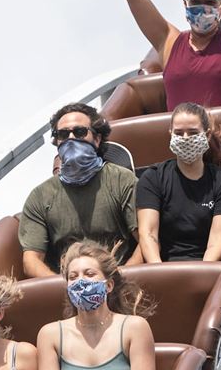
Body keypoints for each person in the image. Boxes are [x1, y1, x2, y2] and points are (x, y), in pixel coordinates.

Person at [37, 241, 156, 370]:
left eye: (89, 274)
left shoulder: (135, 327)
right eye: (73, 277)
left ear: (108, 285)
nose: (80, 282)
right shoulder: (50, 334)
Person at [19, 103, 141, 277]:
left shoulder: (122, 180)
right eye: (63, 134)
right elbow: (31, 261)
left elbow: (146, 240)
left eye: (79, 132)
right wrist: (66, 287)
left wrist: (120, 280)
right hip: (66, 288)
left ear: (97, 139)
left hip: (118, 284)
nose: (71, 138)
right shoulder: (40, 196)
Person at [136, 102, 221, 263]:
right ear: (170, 134)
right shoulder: (153, 177)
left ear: (206, 135)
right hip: (162, 267)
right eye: (179, 133)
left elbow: (217, 240)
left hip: (206, 268)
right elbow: (148, 233)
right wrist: (159, 271)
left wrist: (201, 275)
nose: (185, 138)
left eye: (192, 133)